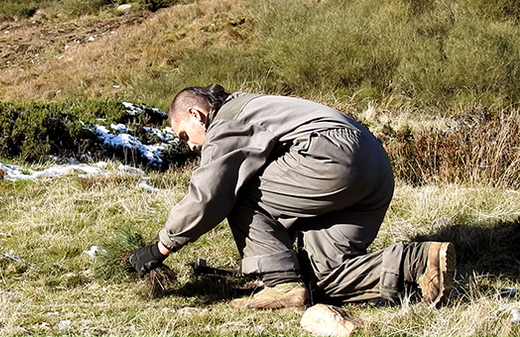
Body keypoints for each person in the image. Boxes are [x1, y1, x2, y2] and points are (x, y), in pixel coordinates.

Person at [129, 84, 455, 309]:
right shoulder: (256, 106)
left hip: (333, 157)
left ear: (196, 114)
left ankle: (280, 284)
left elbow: (210, 194)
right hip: (374, 165)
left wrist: (162, 247)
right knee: (322, 279)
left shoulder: (227, 120)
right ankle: (418, 263)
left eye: (185, 135)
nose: (190, 145)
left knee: (236, 189)